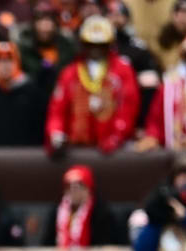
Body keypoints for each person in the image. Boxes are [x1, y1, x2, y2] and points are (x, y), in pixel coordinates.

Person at [45, 15, 139, 157]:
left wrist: (117, 135)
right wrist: (56, 134)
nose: (96, 50)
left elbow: (129, 106)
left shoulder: (123, 71)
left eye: (101, 45)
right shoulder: (70, 73)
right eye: (91, 44)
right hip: (75, 148)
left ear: (110, 45)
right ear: (83, 44)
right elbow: (57, 110)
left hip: (113, 151)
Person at [42, 164, 125, 247]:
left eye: (79, 187)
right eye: (69, 187)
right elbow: (47, 244)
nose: (73, 191)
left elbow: (107, 244)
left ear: (88, 189)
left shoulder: (102, 213)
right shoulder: (56, 212)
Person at [18, 1, 77, 94]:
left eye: (49, 21)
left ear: (55, 25)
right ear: (33, 24)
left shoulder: (66, 46)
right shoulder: (24, 48)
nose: (45, 27)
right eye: (40, 21)